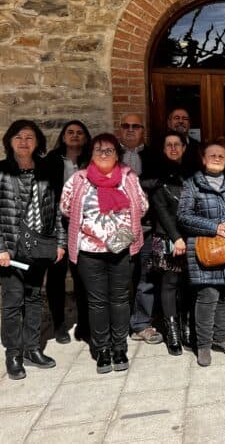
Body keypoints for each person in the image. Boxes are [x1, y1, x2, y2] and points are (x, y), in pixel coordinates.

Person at [60, 132, 148, 374]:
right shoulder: (79, 179)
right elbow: (66, 208)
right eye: (99, 149)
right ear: (91, 153)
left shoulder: (128, 177)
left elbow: (142, 206)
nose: (104, 153)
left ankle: (120, 347)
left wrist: (119, 227)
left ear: (116, 154)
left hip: (120, 249)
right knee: (97, 302)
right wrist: (94, 227)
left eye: (109, 150)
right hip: (90, 250)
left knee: (119, 300)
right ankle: (103, 349)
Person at [178, 139, 225, 366]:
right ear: (203, 159)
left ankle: (221, 338)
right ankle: (203, 345)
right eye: (212, 155)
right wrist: (215, 227)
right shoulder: (192, 184)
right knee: (207, 297)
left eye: (221, 155)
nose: (217, 158)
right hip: (206, 251)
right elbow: (183, 216)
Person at [1, 120, 65, 380]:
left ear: (37, 142)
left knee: (35, 297)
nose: (24, 142)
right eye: (18, 137)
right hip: (10, 248)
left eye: (29, 137)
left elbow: (58, 208)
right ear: (9, 141)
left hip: (39, 245)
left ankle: (32, 348)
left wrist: (59, 242)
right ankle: (13, 354)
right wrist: (1, 248)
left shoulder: (46, 171)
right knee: (13, 301)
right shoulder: (2, 171)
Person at [44, 120, 92, 344]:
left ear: (85, 137)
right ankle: (59, 323)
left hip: (84, 224)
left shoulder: (91, 160)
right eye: (70, 132)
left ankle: (84, 323)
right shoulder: (51, 161)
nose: (74, 136)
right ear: (63, 137)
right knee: (56, 275)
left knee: (83, 275)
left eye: (79, 133)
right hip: (55, 223)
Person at [118, 114, 162, 345]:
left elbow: (158, 183)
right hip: (117, 229)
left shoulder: (154, 154)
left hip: (147, 226)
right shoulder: (111, 155)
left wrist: (132, 186)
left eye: (136, 126)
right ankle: (118, 325)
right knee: (120, 277)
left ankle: (141, 324)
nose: (131, 130)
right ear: (120, 129)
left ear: (143, 130)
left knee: (146, 277)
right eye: (126, 126)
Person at [148, 131, 192, 355]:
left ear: (184, 147)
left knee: (189, 283)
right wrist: (176, 238)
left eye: (177, 144)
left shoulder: (192, 172)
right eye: (169, 145)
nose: (173, 148)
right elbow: (160, 208)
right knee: (169, 283)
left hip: (191, 235)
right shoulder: (156, 173)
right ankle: (172, 331)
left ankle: (186, 328)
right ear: (163, 149)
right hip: (166, 235)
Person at [166, 107, 201, 173]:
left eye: (185, 119)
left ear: (189, 124)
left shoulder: (198, 146)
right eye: (177, 118)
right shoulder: (159, 145)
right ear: (169, 123)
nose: (181, 121)